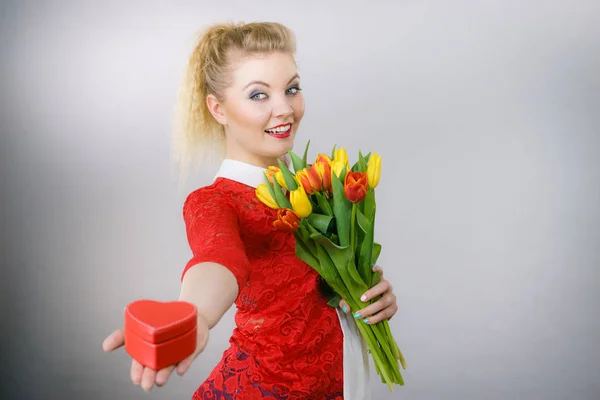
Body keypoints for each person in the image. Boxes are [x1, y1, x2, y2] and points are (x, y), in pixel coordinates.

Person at [102, 21, 399, 399]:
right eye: (258, 95)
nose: (284, 108)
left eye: (291, 88)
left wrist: (367, 296)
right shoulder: (215, 201)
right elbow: (219, 260)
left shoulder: (317, 185)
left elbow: (319, 289)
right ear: (218, 108)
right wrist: (194, 315)